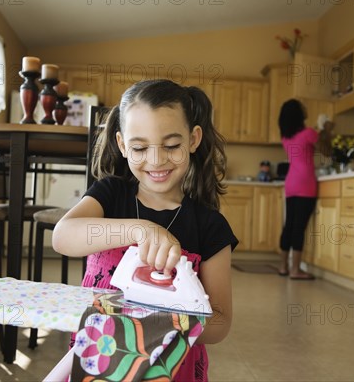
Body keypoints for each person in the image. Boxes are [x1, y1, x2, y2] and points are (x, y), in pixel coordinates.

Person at [53, 79, 238, 381]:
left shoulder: (211, 227)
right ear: (123, 145)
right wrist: (141, 230)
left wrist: (155, 325)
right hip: (99, 359)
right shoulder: (110, 195)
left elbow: (220, 322)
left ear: (193, 140)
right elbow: (62, 236)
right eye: (140, 147)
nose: (156, 160)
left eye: (171, 145)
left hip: (174, 367)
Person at [277, 99, 331, 280]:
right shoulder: (309, 133)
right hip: (305, 182)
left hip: (291, 182)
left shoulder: (286, 137)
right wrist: (325, 131)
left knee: (289, 226)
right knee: (298, 228)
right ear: (298, 114)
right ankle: (295, 270)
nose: (305, 108)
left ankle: (283, 267)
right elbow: (327, 151)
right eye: (303, 107)